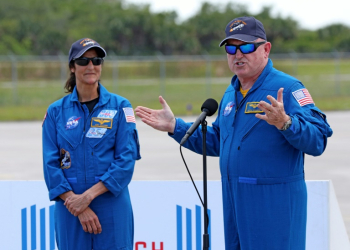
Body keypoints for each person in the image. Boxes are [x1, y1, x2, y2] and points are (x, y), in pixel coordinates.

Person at [135, 16, 333, 250]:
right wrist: (174, 126)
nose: (238, 54)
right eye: (231, 48)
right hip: (235, 204)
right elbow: (219, 140)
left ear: (266, 49)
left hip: (274, 206)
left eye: (247, 47)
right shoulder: (232, 92)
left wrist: (286, 123)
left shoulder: (288, 89)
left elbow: (318, 140)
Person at [42, 38, 141, 250]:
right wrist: (76, 204)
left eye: (96, 60)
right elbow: (51, 165)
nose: (91, 66)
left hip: (111, 203)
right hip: (70, 207)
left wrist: (87, 197)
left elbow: (126, 160)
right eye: (83, 61)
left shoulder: (121, 107)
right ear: (71, 66)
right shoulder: (55, 112)